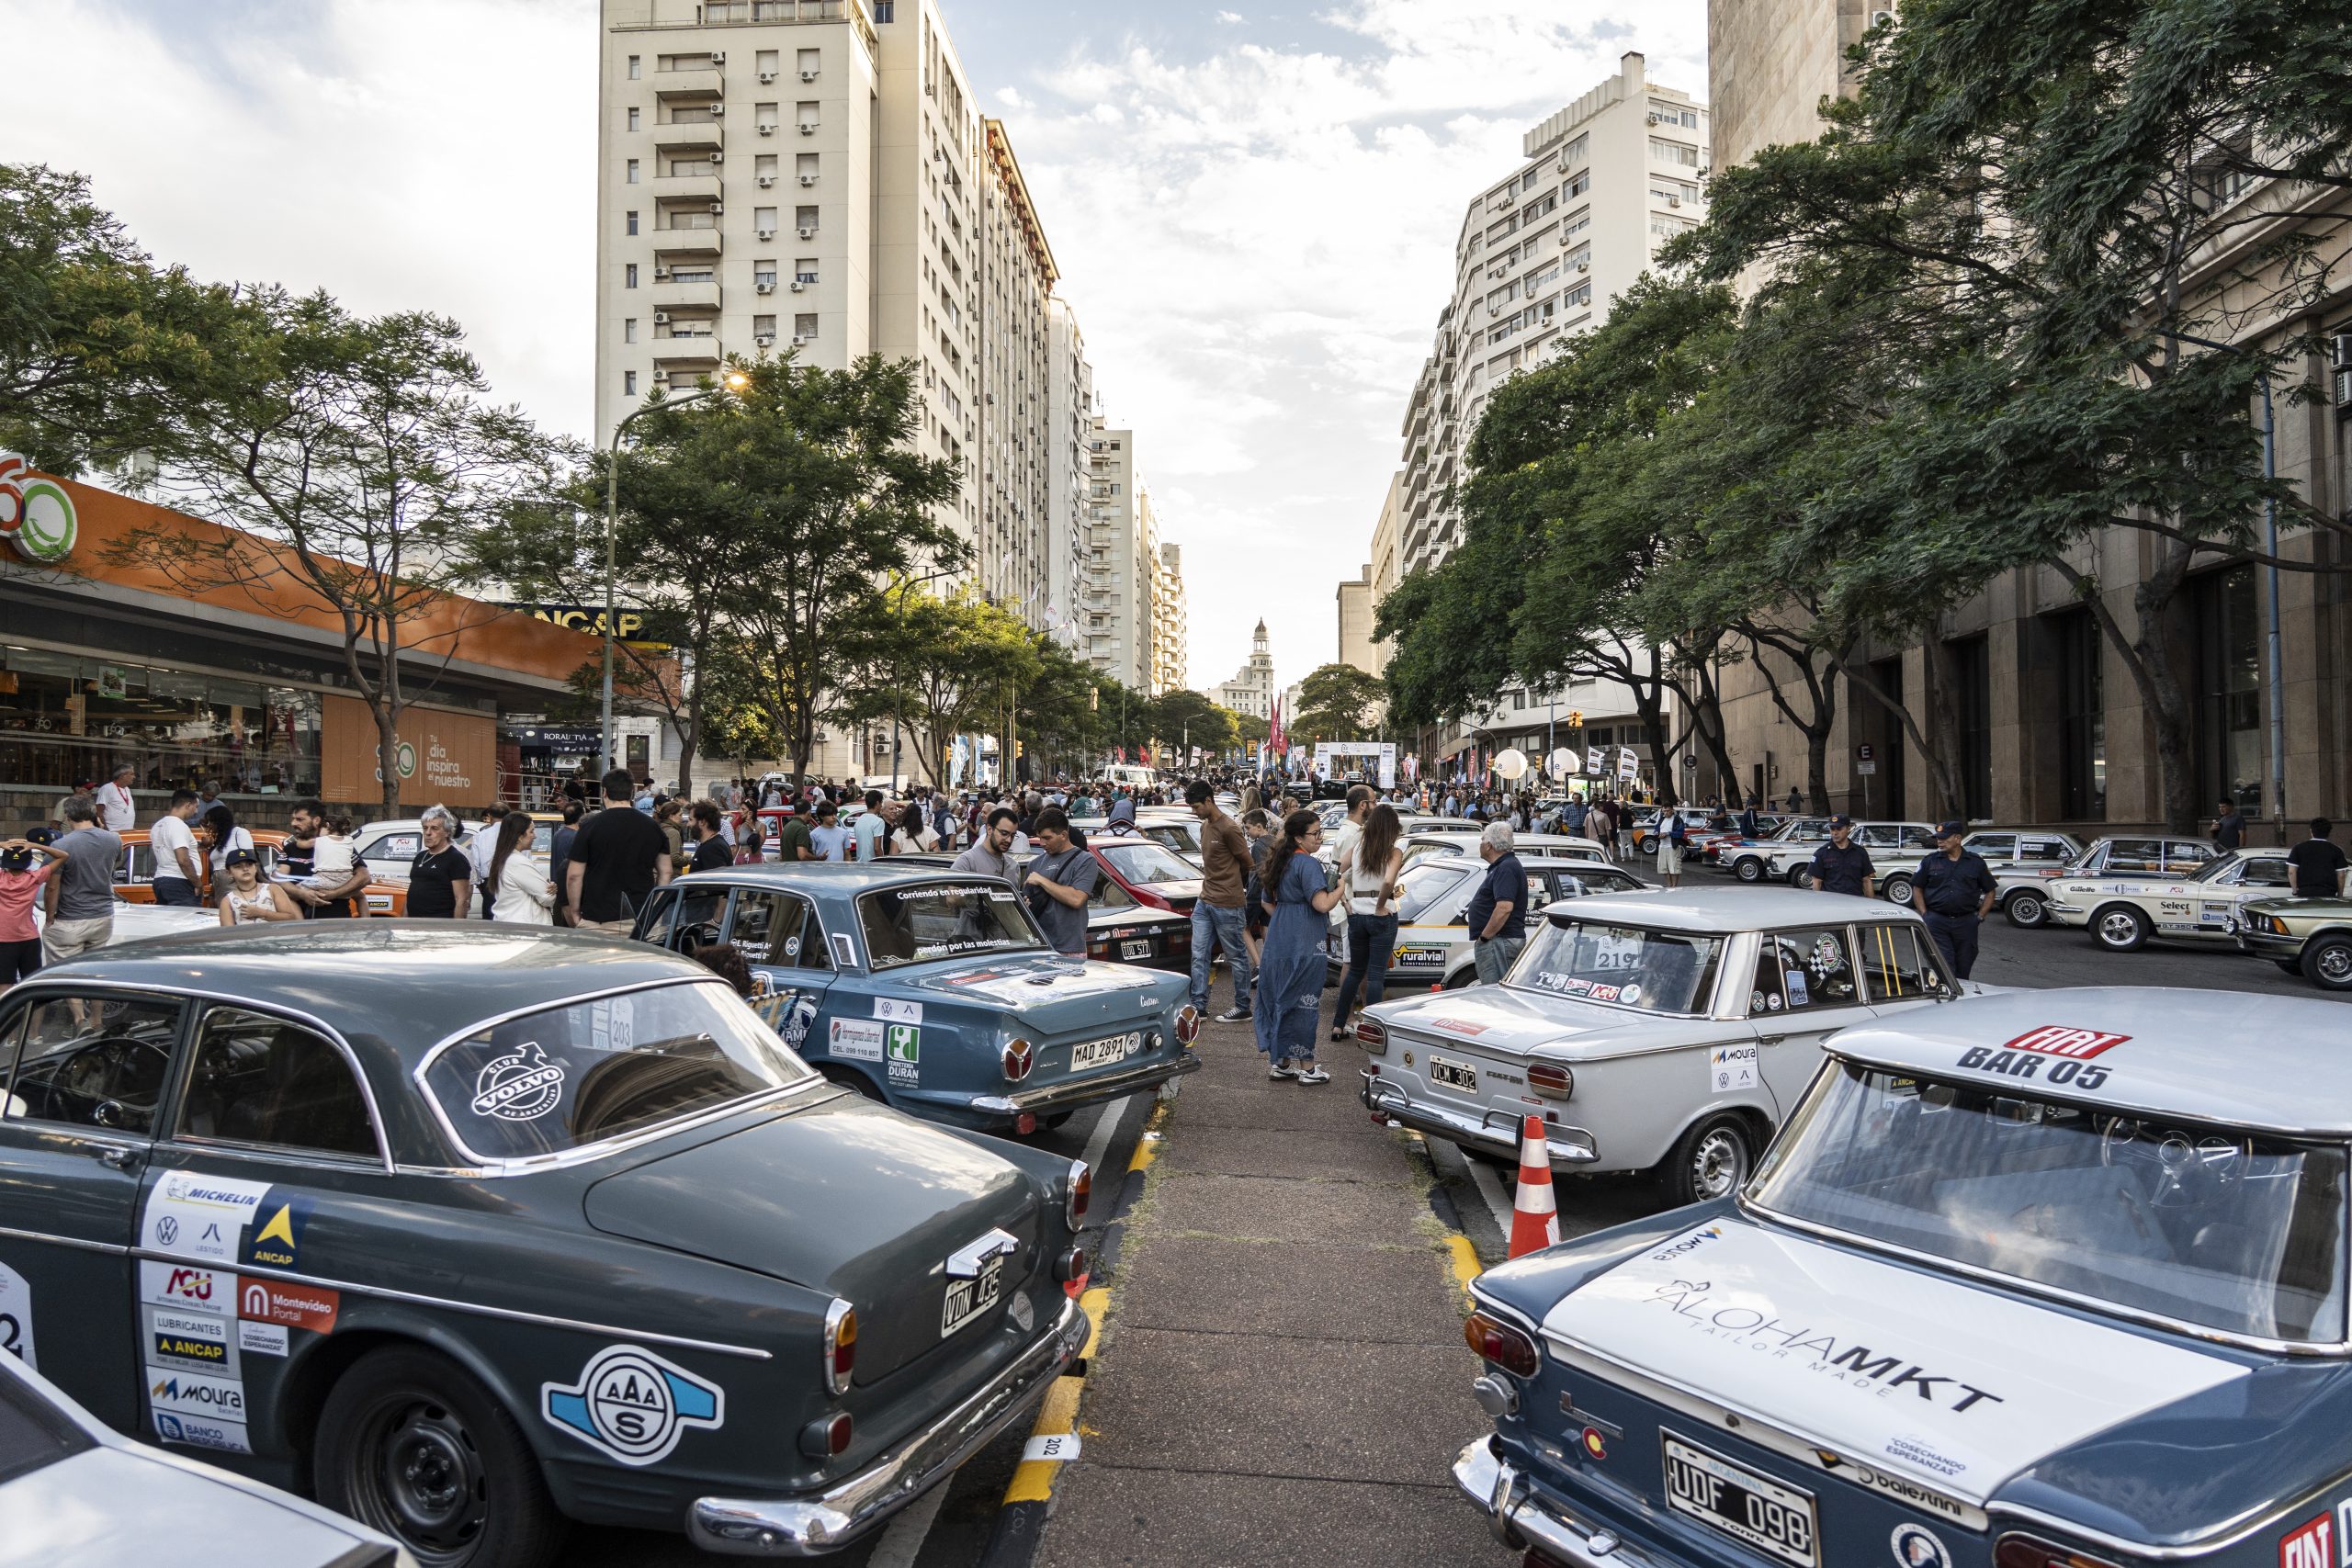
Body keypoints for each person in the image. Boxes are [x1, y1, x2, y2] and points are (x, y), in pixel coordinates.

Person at [1253, 809, 1340, 1082]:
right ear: (1300, 836)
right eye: (1315, 833)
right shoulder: (1308, 864)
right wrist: (1341, 888)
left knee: (1280, 997)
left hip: (1279, 937)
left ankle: (1281, 1062)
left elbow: (1266, 901)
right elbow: (1322, 904)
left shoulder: (1280, 860)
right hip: (1305, 940)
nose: (1320, 838)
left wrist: (1285, 913)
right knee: (1304, 1002)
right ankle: (1308, 1068)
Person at [1331, 803, 1404, 1040]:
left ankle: (1338, 1024)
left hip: (1357, 913)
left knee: (1354, 972)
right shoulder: (1393, 852)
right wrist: (1382, 905)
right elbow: (1387, 882)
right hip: (1381, 916)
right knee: (1375, 975)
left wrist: (1345, 902)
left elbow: (1333, 874)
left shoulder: (1358, 847)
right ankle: (1372, 1029)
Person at [1184, 781, 1256, 1023]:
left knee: (1235, 956)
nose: (1194, 812)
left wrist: (1234, 885)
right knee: (1199, 954)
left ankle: (1243, 1006)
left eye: (1196, 807)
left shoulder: (1229, 828)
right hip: (1205, 900)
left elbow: (1248, 862)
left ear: (1208, 801)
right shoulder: (1205, 826)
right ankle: (1199, 1006)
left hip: (1228, 902)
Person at [566, 768, 673, 931]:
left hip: (598, 919)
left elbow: (574, 875)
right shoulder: (653, 827)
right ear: (632, 793)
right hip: (640, 918)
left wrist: (574, 914)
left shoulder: (589, 827)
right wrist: (655, 908)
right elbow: (666, 872)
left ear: (604, 793)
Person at [1910, 819, 1998, 979]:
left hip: (1965, 923)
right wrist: (1925, 915)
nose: (1940, 841)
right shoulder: (1930, 861)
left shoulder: (1975, 863)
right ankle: (1947, 998)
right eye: (1938, 838)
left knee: (1964, 968)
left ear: (1957, 838)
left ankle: (1960, 1001)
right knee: (1944, 967)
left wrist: (1980, 916)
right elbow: (1917, 888)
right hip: (1937, 921)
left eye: (1944, 838)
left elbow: (1990, 891)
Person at [40, 796, 120, 964]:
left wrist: (49, 918)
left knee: (63, 976)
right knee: (91, 973)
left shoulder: (60, 846)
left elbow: (52, 887)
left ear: (68, 817)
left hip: (70, 918)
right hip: (103, 916)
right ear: (93, 815)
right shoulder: (114, 839)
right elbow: (115, 865)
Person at [1022, 811, 1099, 957]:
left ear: (1063, 835)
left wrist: (1042, 880)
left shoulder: (1085, 860)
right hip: (1040, 946)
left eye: (1047, 838)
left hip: (1069, 948)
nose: (1042, 843)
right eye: (1040, 838)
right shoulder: (1035, 864)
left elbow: (1076, 899)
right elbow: (1026, 905)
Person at [1, 832, 68, 989]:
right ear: (28, 863)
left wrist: (2, 844)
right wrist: (34, 845)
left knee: (4, 985)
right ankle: (31, 1014)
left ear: (5, 863)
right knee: (32, 985)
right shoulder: (34, 877)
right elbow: (63, 856)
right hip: (28, 939)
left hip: (2, 940)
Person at [1465, 819, 1529, 985]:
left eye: (1482, 840)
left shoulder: (1506, 867)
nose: (1480, 844)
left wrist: (1485, 937)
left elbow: (1504, 908)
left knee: (1497, 994)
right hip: (1500, 941)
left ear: (1489, 846)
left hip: (1500, 942)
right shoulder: (1504, 866)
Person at [488, 812, 557, 925]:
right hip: (525, 928)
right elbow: (547, 898)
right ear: (520, 837)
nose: (535, 835)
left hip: (510, 923)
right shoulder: (518, 862)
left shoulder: (504, 859)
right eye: (531, 831)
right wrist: (552, 890)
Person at [408, 806, 475, 920]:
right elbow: (411, 892)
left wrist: (457, 929)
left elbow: (462, 899)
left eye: (434, 828)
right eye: (425, 828)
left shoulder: (456, 858)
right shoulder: (420, 856)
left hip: (440, 925)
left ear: (447, 832)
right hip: (414, 924)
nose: (428, 833)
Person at [146, 789, 206, 907]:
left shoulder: (158, 825)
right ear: (188, 805)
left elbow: (168, 850)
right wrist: (198, 883)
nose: (196, 811)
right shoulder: (178, 825)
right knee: (186, 922)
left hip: (161, 880)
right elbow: (183, 860)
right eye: (196, 806)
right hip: (180, 882)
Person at [217, 846, 300, 924]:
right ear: (229, 873)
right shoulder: (227, 901)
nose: (245, 869)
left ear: (256, 868)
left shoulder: (273, 889)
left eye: (249, 865)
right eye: (238, 866)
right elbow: (228, 934)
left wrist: (261, 913)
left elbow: (291, 918)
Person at [1805, 816, 1876, 897]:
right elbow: (1817, 882)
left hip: (1855, 902)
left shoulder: (1860, 852)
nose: (1835, 833)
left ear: (1848, 829)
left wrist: (1871, 904)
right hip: (1831, 903)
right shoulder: (1821, 853)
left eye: (1839, 829)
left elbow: (1866, 881)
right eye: (1832, 829)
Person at [199, 803, 252, 899]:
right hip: (219, 887)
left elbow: (250, 859)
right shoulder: (220, 840)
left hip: (235, 885)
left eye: (211, 821)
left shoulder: (239, 833)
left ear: (220, 821)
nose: (209, 824)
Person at [954, 807, 1021, 881]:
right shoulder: (967, 862)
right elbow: (952, 891)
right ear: (989, 829)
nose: (1009, 840)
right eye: (1004, 833)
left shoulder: (1013, 867)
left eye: (1013, 835)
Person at [2287, 818, 2349, 897]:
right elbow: (2341, 875)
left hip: (2305, 892)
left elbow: (2291, 872)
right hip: (2328, 893)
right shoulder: (2336, 850)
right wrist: (2340, 895)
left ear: (2311, 831)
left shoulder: (2298, 848)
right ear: (2329, 832)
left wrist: (2295, 891)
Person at [548, 799, 583, 923]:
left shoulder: (558, 834)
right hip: (569, 892)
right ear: (580, 817)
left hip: (558, 890)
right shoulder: (577, 837)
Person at [686, 802, 735, 874]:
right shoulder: (711, 844)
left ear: (702, 822)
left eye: (690, 820)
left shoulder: (713, 848)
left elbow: (716, 881)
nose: (687, 824)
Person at [96, 763, 138, 831]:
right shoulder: (107, 788)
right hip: (113, 832)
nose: (134, 777)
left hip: (127, 832)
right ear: (122, 776)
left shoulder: (127, 789)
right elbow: (99, 812)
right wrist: (106, 830)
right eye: (132, 774)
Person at [853, 790, 888, 862]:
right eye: (881, 803)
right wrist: (883, 863)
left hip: (860, 863)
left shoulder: (859, 821)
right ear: (877, 803)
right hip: (873, 864)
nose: (881, 806)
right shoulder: (878, 821)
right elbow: (877, 848)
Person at [1657, 809, 1686, 889]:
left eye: (1667, 811)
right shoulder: (1662, 819)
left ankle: (1674, 886)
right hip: (1662, 846)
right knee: (1664, 868)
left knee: (1674, 867)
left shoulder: (1677, 819)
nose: (1665, 813)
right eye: (1664, 811)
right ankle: (1669, 885)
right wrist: (1657, 833)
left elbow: (1681, 833)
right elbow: (1657, 828)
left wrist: (1668, 833)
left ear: (1672, 810)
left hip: (1672, 846)